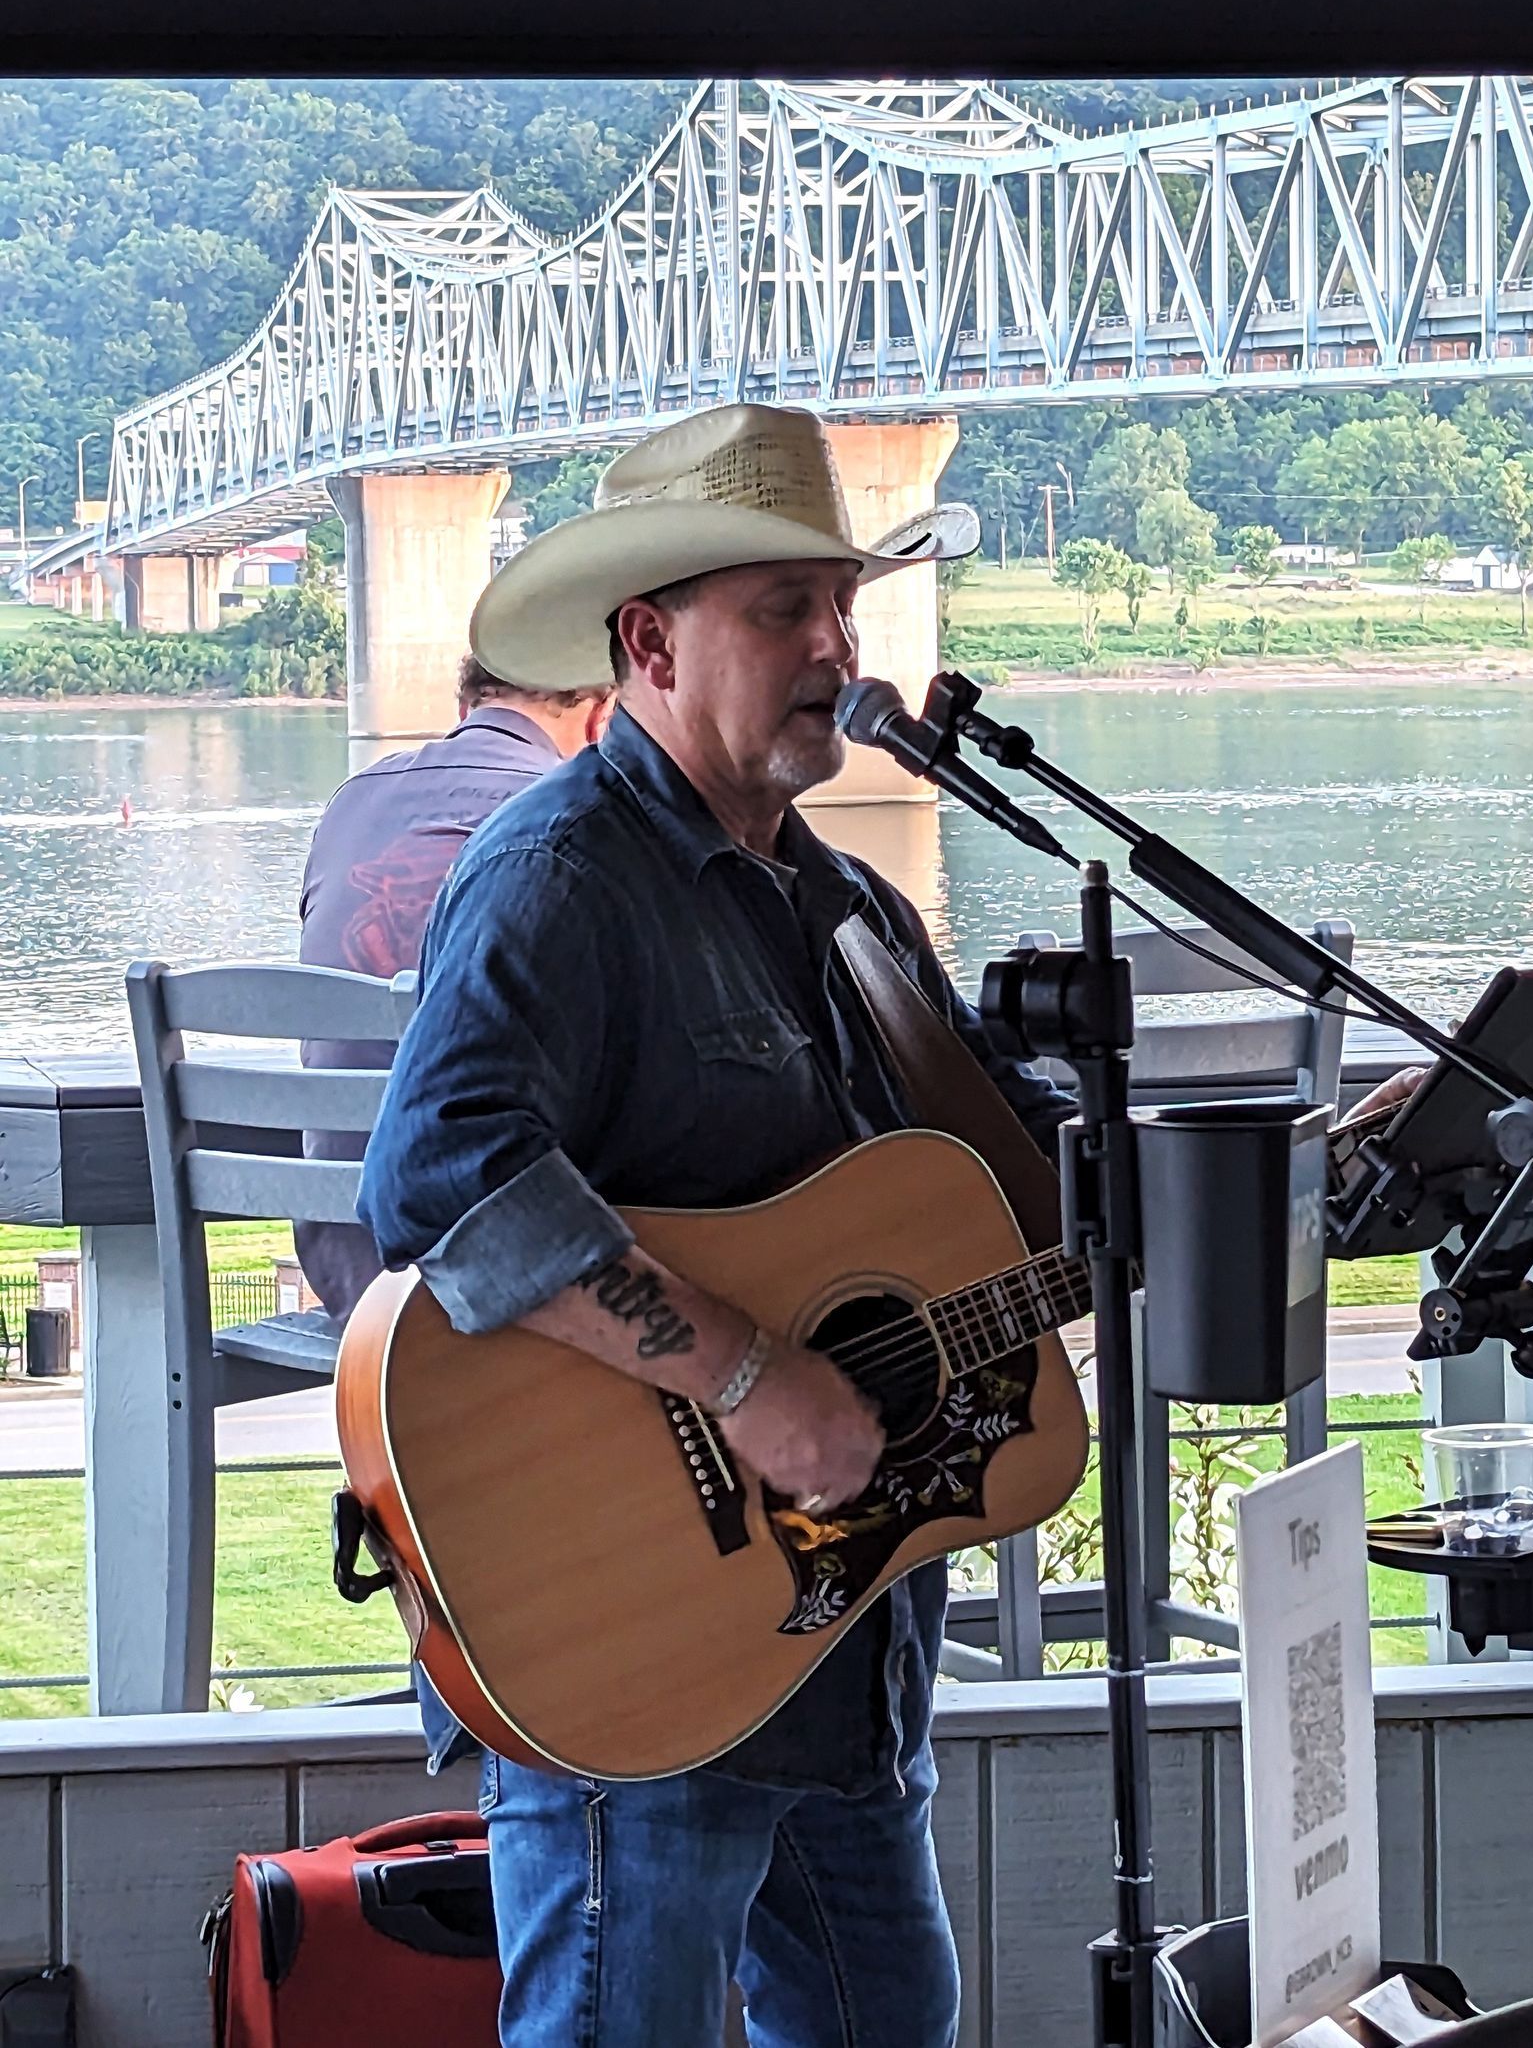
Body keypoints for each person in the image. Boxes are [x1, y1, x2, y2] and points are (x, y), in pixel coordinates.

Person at [355, 403, 1070, 2048]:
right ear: (649, 641)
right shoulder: (562, 876)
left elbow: (989, 1178)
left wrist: (1273, 1174)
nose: (835, 645)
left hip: (840, 1638)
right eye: (783, 610)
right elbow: (444, 1171)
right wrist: (750, 1377)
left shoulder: (851, 910)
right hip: (633, 1636)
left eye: (843, 605)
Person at [293, 653, 614, 1319]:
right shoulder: (582, 813)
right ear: (600, 720)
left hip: (345, 1263)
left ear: (465, 713)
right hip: (505, 1274)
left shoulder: (351, 801)